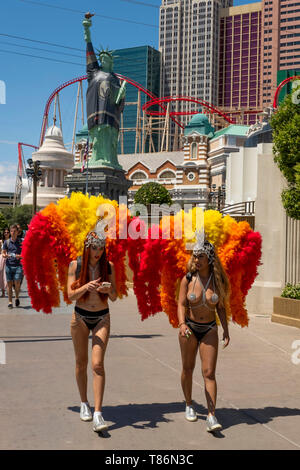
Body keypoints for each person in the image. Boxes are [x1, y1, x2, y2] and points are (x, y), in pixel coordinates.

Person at [177, 231, 230, 432]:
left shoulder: (218, 282)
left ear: (209, 258)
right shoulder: (188, 278)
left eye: (200, 256)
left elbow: (221, 308)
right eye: (195, 256)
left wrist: (225, 329)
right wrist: (182, 324)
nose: (196, 259)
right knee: (187, 368)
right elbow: (181, 304)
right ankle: (189, 403)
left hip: (209, 329)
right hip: (189, 328)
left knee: (209, 372)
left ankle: (211, 415)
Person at [67, 221, 117, 433]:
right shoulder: (75, 265)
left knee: (97, 364)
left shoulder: (109, 266)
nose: (98, 252)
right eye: (94, 247)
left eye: (101, 247)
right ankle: (84, 403)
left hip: (101, 318)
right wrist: (85, 286)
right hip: (80, 317)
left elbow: (114, 296)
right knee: (81, 362)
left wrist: (108, 290)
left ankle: (98, 413)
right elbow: (69, 296)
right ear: (87, 247)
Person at [82, 13, 126, 169]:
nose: (103, 60)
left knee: (112, 139)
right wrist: (87, 30)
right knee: (100, 136)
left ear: (111, 61)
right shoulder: (94, 72)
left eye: (106, 58)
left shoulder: (115, 78)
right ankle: (98, 159)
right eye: (102, 58)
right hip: (98, 113)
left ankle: (111, 161)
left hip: (112, 115)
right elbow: (89, 50)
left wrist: (122, 96)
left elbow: (120, 102)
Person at [2, 224, 23, 308]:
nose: (13, 233)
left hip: (18, 266)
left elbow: (25, 253)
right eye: (11, 231)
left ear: (17, 232)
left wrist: (20, 256)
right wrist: (5, 255)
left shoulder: (21, 242)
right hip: (9, 266)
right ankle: (10, 302)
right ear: (10, 232)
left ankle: (17, 297)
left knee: (17, 283)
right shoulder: (6, 242)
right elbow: (3, 252)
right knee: (9, 284)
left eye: (15, 231)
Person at [0, 228, 9, 297]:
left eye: (7, 232)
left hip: (9, 258)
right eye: (5, 232)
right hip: (2, 259)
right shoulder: (1, 241)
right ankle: (3, 292)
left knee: (8, 275)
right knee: (2, 275)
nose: (6, 233)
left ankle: (9, 290)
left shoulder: (11, 241)